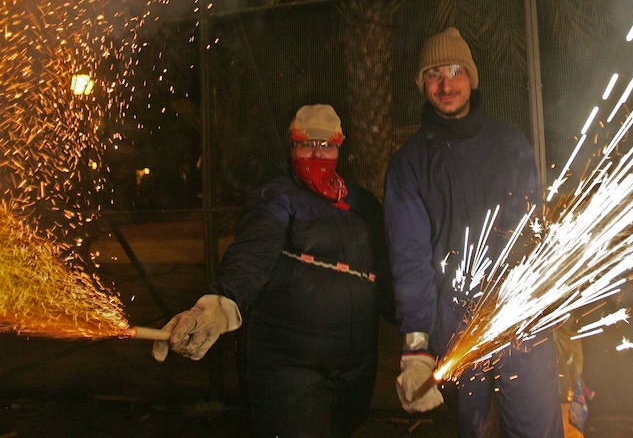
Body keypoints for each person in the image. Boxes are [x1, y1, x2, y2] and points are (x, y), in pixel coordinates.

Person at [152, 104, 391, 437]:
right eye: (307, 143)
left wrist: (426, 322)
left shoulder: (362, 203)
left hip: (353, 370)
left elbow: (386, 272)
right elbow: (251, 256)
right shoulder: (276, 200)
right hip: (289, 372)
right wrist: (220, 304)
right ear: (291, 145)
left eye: (327, 145)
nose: (317, 153)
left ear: (340, 145)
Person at [384, 27, 564, 437]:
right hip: (456, 325)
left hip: (523, 319)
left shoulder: (511, 143)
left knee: (536, 428)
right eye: (434, 74)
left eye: (455, 71)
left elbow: (534, 230)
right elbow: (410, 258)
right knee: (476, 429)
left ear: (471, 77)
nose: (446, 84)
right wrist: (416, 345)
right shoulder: (410, 164)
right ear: (422, 84)